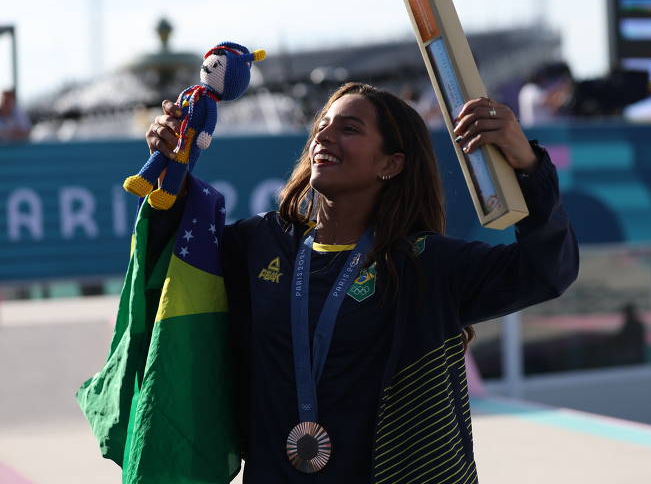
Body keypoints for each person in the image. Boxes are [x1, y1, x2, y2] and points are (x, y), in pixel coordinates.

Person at [145, 82, 579, 482]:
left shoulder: (425, 263)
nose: (325, 137)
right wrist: (171, 173)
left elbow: (546, 270)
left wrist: (528, 164)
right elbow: (176, 270)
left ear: (391, 164)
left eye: (349, 129)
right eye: (322, 126)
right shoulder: (259, 245)